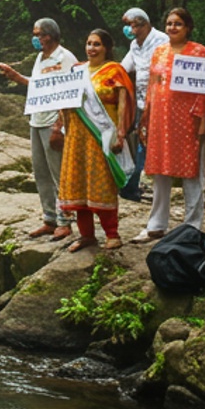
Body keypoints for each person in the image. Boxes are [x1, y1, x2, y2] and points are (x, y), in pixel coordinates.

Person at [0, 19, 79, 242]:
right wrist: (16, 76)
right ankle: (49, 218)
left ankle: (65, 221)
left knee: (58, 173)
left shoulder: (65, 57)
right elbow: (38, 84)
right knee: (41, 172)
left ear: (49, 35)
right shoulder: (40, 58)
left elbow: (70, 93)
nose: (35, 38)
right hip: (37, 119)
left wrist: (59, 126)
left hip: (54, 121)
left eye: (38, 34)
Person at [136, 8, 205, 240]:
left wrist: (201, 121)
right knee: (160, 172)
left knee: (191, 172)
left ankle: (192, 226)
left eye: (178, 24)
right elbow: (153, 85)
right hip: (160, 120)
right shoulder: (159, 51)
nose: (172, 28)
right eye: (169, 23)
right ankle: (156, 224)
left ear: (188, 27)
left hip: (188, 120)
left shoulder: (200, 52)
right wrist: (146, 117)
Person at [60, 29, 134, 252]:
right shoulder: (76, 71)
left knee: (101, 184)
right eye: (89, 43)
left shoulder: (114, 71)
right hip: (76, 137)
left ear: (106, 48)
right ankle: (87, 235)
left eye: (97, 44)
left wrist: (121, 133)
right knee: (79, 183)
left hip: (101, 136)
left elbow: (123, 105)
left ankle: (112, 233)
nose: (91, 48)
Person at [118, 8, 169, 198]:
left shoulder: (161, 41)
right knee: (141, 143)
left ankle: (138, 185)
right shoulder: (134, 45)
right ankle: (132, 185)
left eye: (130, 25)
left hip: (159, 102)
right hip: (141, 103)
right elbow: (123, 68)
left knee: (147, 145)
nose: (128, 29)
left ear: (143, 24)